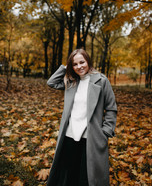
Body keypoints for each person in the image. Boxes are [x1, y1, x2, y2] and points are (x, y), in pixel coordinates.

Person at [46, 49, 117, 186]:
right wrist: (66, 67)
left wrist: (106, 131)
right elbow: (52, 82)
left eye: (82, 62)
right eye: (75, 64)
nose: (79, 67)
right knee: (69, 174)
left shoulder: (101, 81)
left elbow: (111, 107)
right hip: (69, 135)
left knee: (86, 177)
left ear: (88, 61)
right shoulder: (71, 81)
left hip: (91, 137)